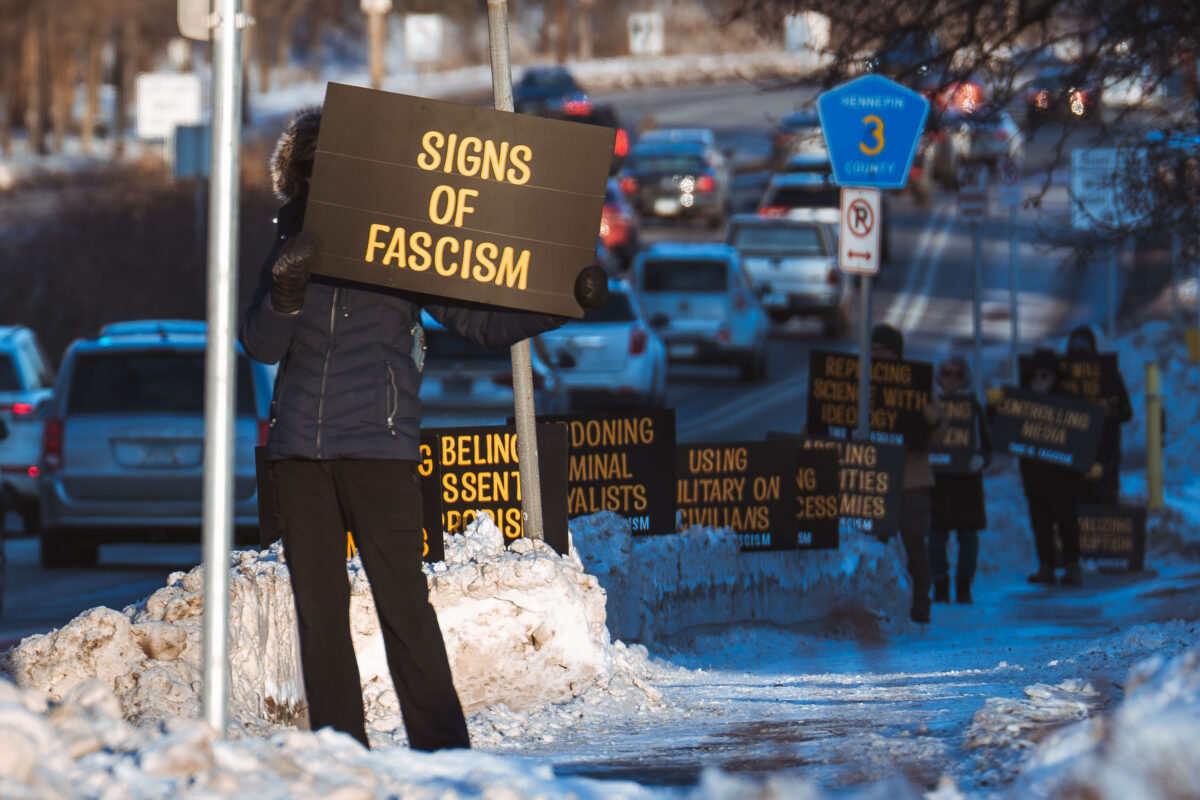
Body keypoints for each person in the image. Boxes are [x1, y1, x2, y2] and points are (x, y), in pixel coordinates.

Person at [240, 108, 607, 751]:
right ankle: (339, 754)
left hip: (379, 447)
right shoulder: (290, 245)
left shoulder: (398, 238)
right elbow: (260, 345)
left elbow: (479, 323)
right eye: (315, 171)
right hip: (298, 451)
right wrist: (286, 293)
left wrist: (560, 301)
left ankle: (445, 754)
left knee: (404, 609)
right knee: (318, 617)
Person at [870, 324, 942, 624]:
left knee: (914, 543)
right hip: (872, 479)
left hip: (911, 480)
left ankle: (921, 601)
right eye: (872, 349)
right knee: (873, 544)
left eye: (882, 350)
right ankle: (873, 602)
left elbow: (937, 433)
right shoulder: (858, 381)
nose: (876, 355)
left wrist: (927, 411)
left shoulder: (917, 386)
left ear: (896, 354)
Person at [928, 355, 992, 605]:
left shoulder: (973, 405)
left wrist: (980, 461)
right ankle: (940, 586)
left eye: (957, 374)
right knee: (934, 538)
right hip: (937, 482)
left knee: (968, 538)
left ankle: (964, 587)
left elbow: (987, 444)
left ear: (965, 376)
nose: (951, 379)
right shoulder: (930, 404)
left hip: (967, 484)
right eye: (946, 373)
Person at [1020, 347, 1084, 587]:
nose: (1038, 380)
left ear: (1055, 376)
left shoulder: (1068, 401)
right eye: (1034, 375)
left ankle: (1071, 567)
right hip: (1034, 475)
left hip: (1063, 477)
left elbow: (1082, 434)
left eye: (1044, 375)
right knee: (1040, 525)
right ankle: (1045, 566)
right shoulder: (1022, 401)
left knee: (1067, 523)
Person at [1065, 325, 1132, 506]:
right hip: (1073, 466)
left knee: (1103, 512)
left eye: (1082, 351)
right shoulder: (1061, 378)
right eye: (1074, 351)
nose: (1078, 356)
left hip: (1105, 459)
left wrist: (1104, 413)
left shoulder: (1108, 378)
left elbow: (1126, 412)